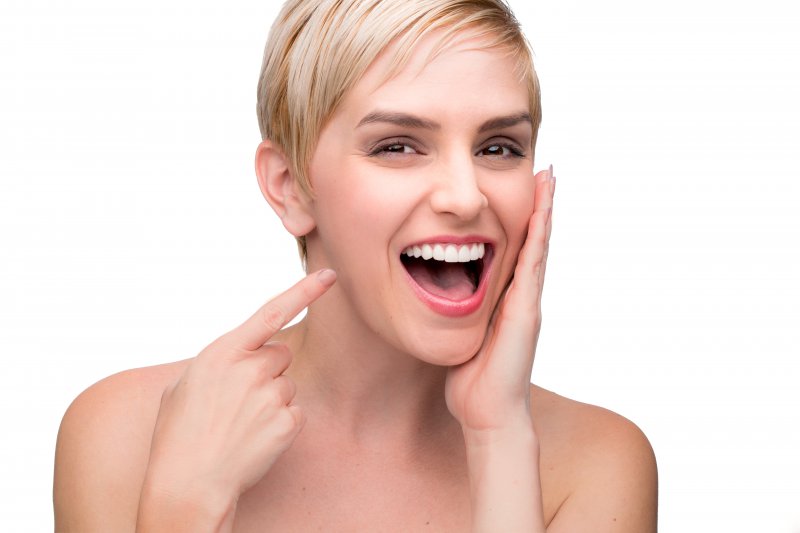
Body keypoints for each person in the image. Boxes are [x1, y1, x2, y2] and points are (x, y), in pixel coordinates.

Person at [53, 0, 658, 530]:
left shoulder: (596, 463)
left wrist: (498, 438)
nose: (466, 196)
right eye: (397, 146)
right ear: (290, 187)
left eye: (498, 147)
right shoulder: (125, 436)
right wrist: (183, 510)